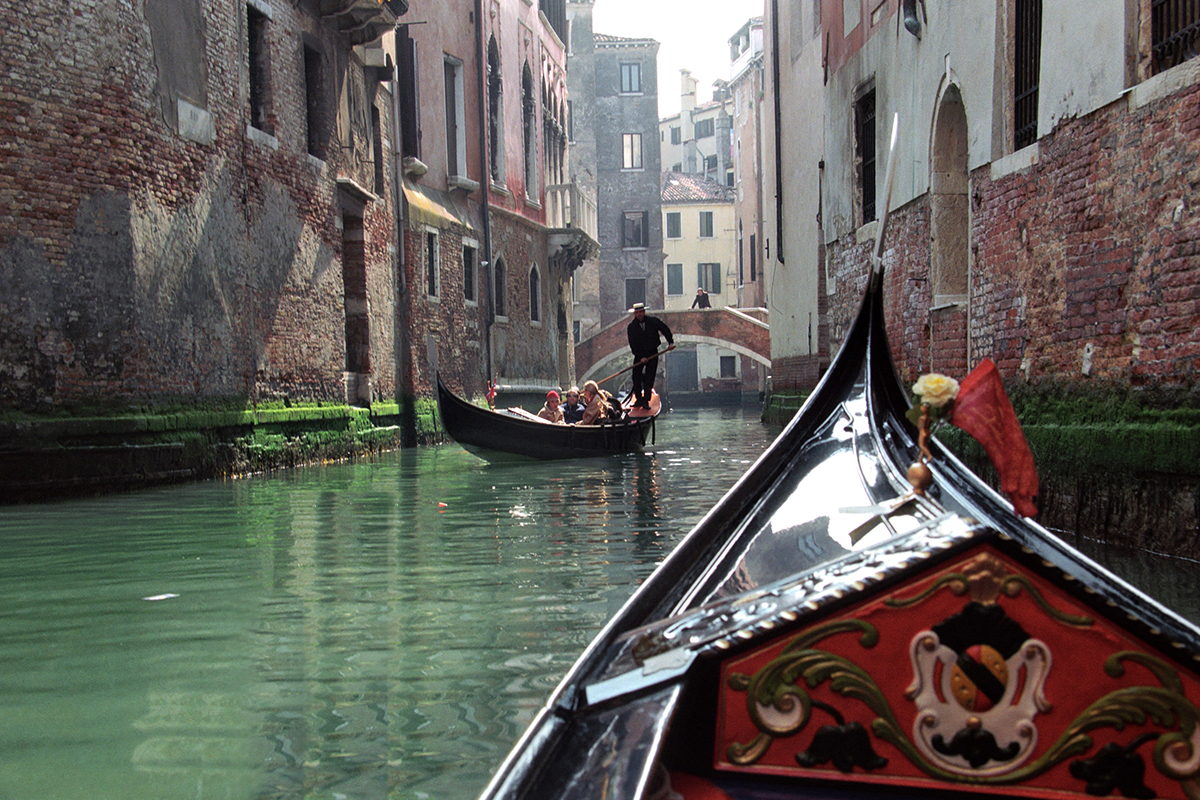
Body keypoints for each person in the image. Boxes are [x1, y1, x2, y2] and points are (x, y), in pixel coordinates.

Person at [626, 303, 674, 409]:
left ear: (644, 312)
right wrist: (640, 356)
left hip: (653, 352)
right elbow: (632, 344)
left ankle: (646, 400)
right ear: (635, 313)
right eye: (637, 312)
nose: (640, 314)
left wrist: (670, 342)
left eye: (641, 312)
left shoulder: (653, 321)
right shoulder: (631, 327)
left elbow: (664, 329)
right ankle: (639, 399)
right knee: (636, 377)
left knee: (649, 377)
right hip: (639, 355)